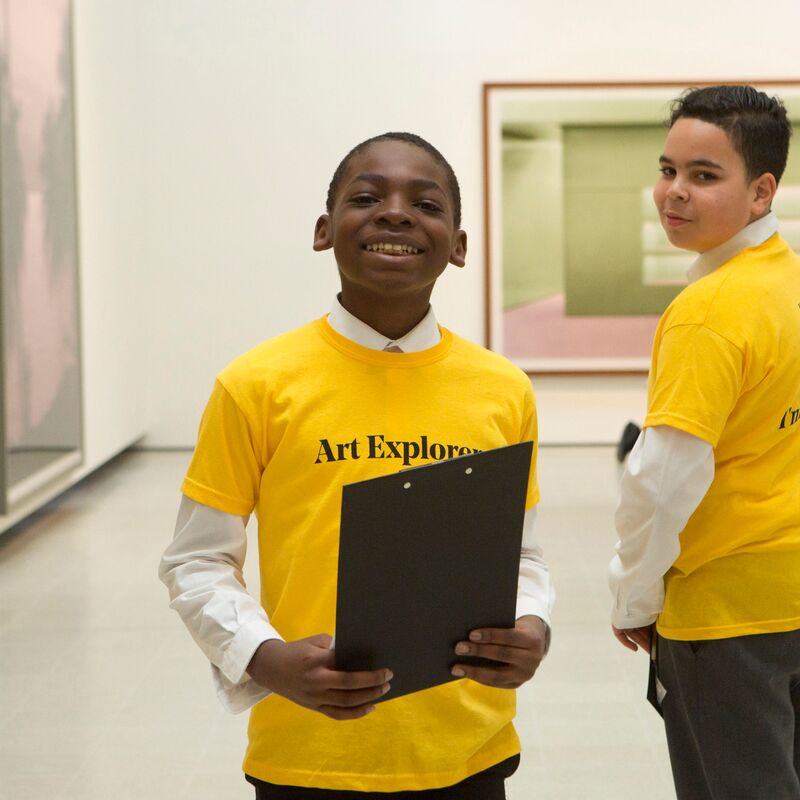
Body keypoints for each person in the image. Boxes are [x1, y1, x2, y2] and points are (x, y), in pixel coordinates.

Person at [160, 132, 554, 799]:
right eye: (367, 197)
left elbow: (523, 554)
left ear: (458, 246)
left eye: (425, 204)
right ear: (324, 231)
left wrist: (532, 625)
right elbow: (195, 562)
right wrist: (265, 658)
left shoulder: (502, 388)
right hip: (309, 753)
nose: (395, 214)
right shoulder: (255, 384)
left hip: (467, 751)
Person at [608, 85, 800, 799]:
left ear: (762, 191)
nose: (673, 193)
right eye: (668, 170)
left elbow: (661, 481)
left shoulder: (708, 311)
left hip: (727, 622)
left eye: (703, 175)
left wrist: (633, 595)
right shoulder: (790, 279)